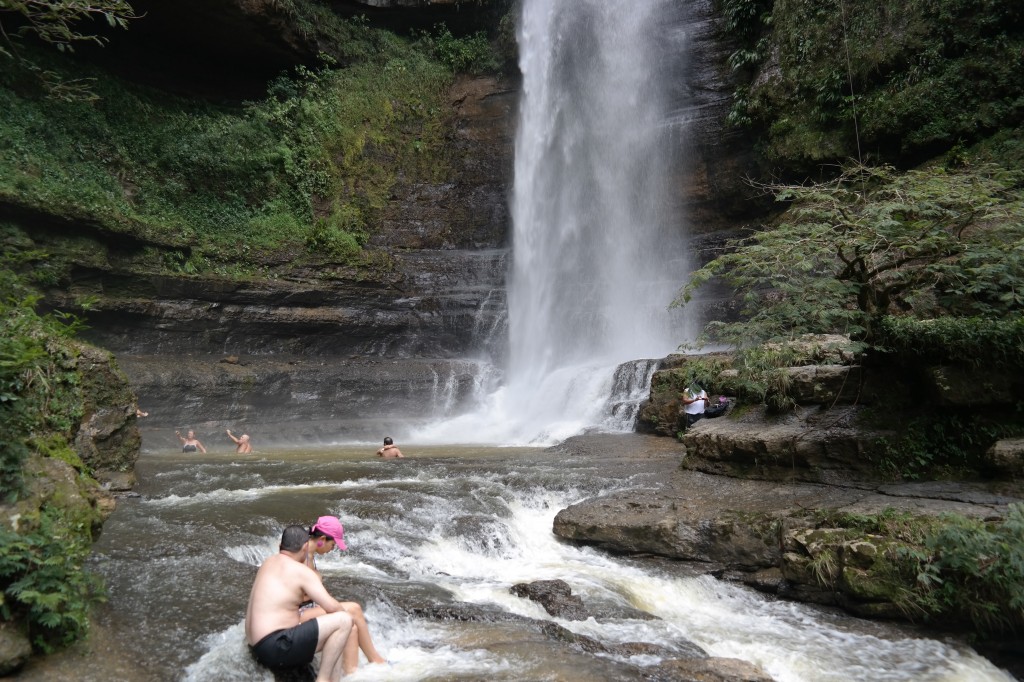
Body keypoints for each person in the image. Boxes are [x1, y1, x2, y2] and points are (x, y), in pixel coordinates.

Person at [245, 525, 358, 680]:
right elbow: (332, 607)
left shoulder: (268, 562)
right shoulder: (302, 571)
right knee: (344, 620)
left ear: (280, 546)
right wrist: (349, 620)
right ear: (305, 547)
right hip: (276, 646)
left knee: (336, 629)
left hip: (256, 645)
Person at [298, 516, 387, 665]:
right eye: (332, 545)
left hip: (309, 609)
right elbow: (300, 594)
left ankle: (351, 673)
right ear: (322, 539)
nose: (332, 550)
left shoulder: (309, 555)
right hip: (296, 616)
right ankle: (376, 660)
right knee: (354, 609)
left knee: (351, 628)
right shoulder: (303, 557)